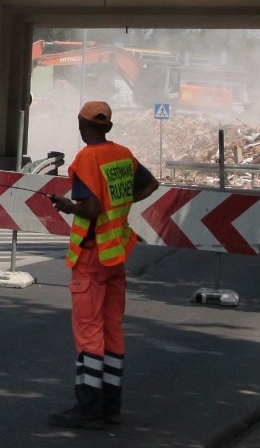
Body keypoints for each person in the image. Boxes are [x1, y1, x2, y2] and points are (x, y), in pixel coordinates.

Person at [48, 101, 159, 430]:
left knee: (88, 332)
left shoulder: (86, 158)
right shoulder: (123, 155)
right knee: (112, 330)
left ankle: (89, 407)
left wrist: (69, 207)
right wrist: (121, 202)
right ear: (107, 127)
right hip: (116, 255)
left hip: (92, 255)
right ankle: (112, 405)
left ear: (82, 125)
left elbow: (93, 208)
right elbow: (150, 185)